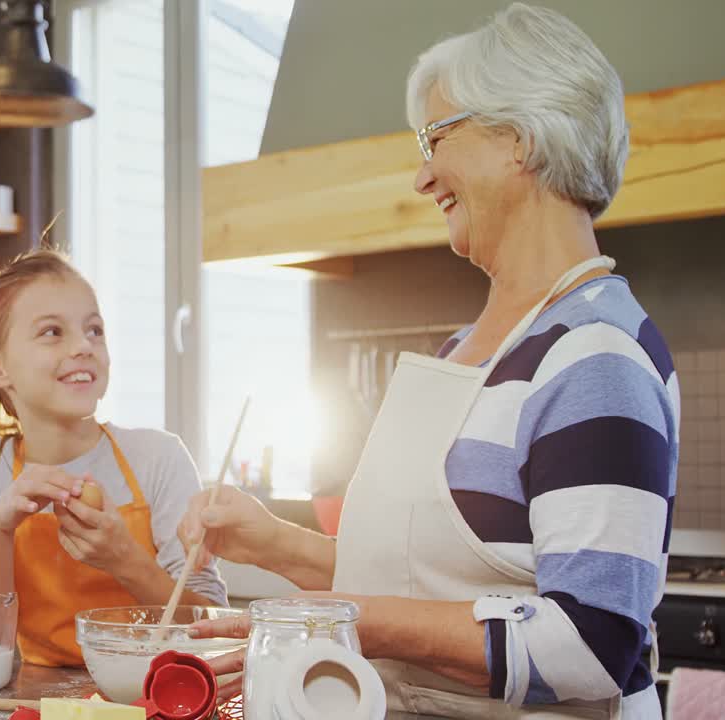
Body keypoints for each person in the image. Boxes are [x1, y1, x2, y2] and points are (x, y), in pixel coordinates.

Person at [180, 4, 676, 718]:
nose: (421, 175)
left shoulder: (594, 355)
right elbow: (425, 584)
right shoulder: (470, 349)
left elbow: (594, 645)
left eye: (435, 137)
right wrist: (272, 544)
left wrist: (344, 620)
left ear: (518, 139)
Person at [0, 249, 228, 667]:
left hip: (152, 693)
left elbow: (210, 623)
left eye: (94, 330)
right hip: (39, 700)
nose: (83, 346)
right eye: (52, 332)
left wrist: (125, 561)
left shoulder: (157, 457)